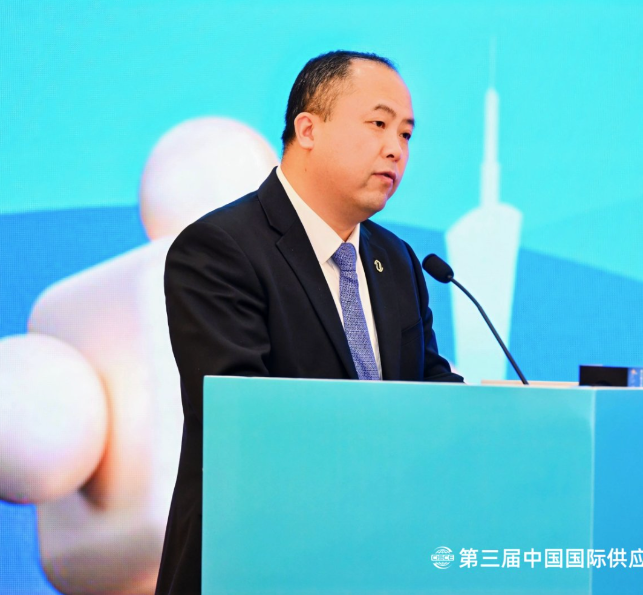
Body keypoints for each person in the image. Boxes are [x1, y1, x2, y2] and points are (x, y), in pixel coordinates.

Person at [155, 50, 463, 594]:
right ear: (308, 129)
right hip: (257, 560)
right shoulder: (220, 250)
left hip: (380, 559)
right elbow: (242, 419)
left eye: (406, 134)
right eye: (378, 124)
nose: (396, 149)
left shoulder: (397, 261)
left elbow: (428, 387)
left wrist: (496, 419)